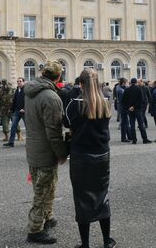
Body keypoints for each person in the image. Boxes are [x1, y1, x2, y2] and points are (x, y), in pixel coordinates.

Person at [64, 69, 116, 248]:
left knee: (82, 199)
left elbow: (66, 123)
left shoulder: (75, 103)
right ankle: (106, 240)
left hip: (81, 156)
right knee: (102, 196)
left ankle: (85, 243)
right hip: (102, 154)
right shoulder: (106, 102)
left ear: (81, 83)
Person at [24, 61, 69, 244]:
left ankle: (48, 217)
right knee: (42, 191)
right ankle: (35, 230)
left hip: (33, 148)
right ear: (58, 77)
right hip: (45, 151)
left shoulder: (30, 91)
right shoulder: (51, 97)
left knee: (44, 186)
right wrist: (62, 153)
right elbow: (54, 131)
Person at [121, 78, 151, 144]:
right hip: (138, 109)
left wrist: (129, 107)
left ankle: (134, 140)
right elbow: (141, 100)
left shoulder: (127, 90)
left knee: (132, 125)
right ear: (136, 82)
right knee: (141, 124)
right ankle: (144, 139)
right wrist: (134, 106)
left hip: (130, 110)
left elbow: (123, 101)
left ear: (131, 83)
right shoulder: (139, 89)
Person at [3, 77, 26, 147]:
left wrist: (25, 108)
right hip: (17, 111)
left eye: (20, 81)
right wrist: (12, 109)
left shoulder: (26, 90)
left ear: (23, 82)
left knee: (28, 127)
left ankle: (30, 142)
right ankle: (11, 142)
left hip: (24, 111)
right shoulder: (17, 89)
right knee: (13, 126)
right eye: (18, 81)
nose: (19, 82)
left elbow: (28, 100)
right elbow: (14, 100)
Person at [116, 78, 131, 142]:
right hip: (123, 108)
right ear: (123, 83)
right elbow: (124, 100)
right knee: (124, 123)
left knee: (126, 122)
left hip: (122, 108)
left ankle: (129, 136)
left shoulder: (120, 89)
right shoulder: (121, 90)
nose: (127, 84)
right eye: (126, 82)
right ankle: (124, 138)